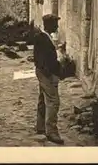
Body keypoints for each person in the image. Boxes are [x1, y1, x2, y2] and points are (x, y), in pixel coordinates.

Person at [33, 14, 64, 145]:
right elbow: (41, 60)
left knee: (42, 98)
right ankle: (51, 131)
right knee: (53, 101)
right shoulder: (42, 38)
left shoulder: (45, 37)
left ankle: (40, 126)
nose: (57, 27)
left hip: (43, 72)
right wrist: (50, 75)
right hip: (46, 73)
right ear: (49, 25)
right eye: (55, 24)